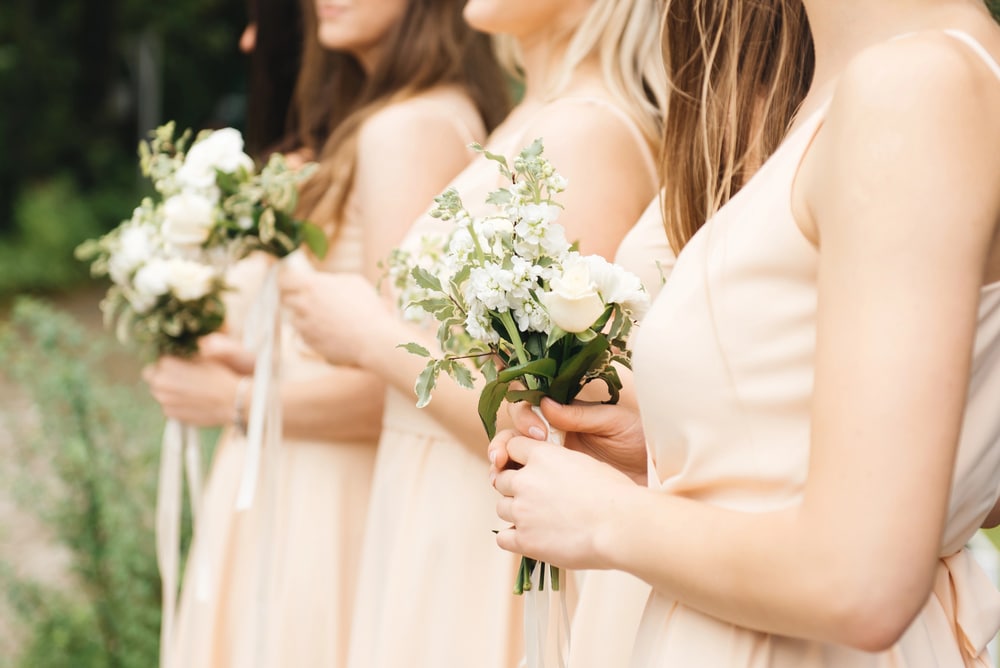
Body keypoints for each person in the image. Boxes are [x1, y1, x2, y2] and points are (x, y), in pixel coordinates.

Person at [489, 0, 1000, 665]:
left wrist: (605, 517)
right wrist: (678, 449)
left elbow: (861, 581)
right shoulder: (879, 83)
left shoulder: (913, 87)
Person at [280, 1, 665, 665]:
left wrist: (371, 336)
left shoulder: (587, 129)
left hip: (485, 543)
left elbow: (554, 421)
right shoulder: (531, 116)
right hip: (432, 512)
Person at [142, 0, 511, 665]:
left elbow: (409, 379)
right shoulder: (381, 118)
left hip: (327, 506)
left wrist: (233, 404)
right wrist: (254, 363)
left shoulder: (411, 127)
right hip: (299, 486)